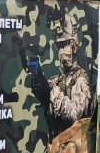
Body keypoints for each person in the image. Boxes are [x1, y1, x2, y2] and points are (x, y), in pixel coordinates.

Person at [31, 12, 94, 140]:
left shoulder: (81, 80)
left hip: (76, 147)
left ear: (74, 46)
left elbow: (75, 113)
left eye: (65, 44)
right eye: (59, 46)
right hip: (60, 146)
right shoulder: (58, 79)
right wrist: (41, 86)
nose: (61, 50)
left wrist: (54, 93)